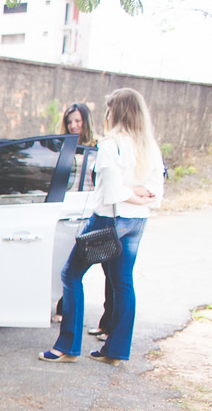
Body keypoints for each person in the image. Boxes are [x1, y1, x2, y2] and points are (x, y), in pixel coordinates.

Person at [40, 88, 164, 365]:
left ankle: (67, 347)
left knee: (71, 275)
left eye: (108, 110)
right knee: (123, 283)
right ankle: (115, 351)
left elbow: (111, 193)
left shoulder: (111, 145)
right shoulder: (149, 146)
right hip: (137, 221)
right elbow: (156, 192)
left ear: (115, 113)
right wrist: (137, 193)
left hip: (109, 220)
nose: (106, 115)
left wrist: (125, 191)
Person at [59, 100, 113, 334]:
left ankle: (108, 321)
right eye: (69, 122)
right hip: (68, 209)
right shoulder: (63, 146)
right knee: (66, 263)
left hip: (93, 209)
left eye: (77, 121)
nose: (73, 126)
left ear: (86, 122)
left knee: (107, 269)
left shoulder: (99, 147)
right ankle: (62, 307)